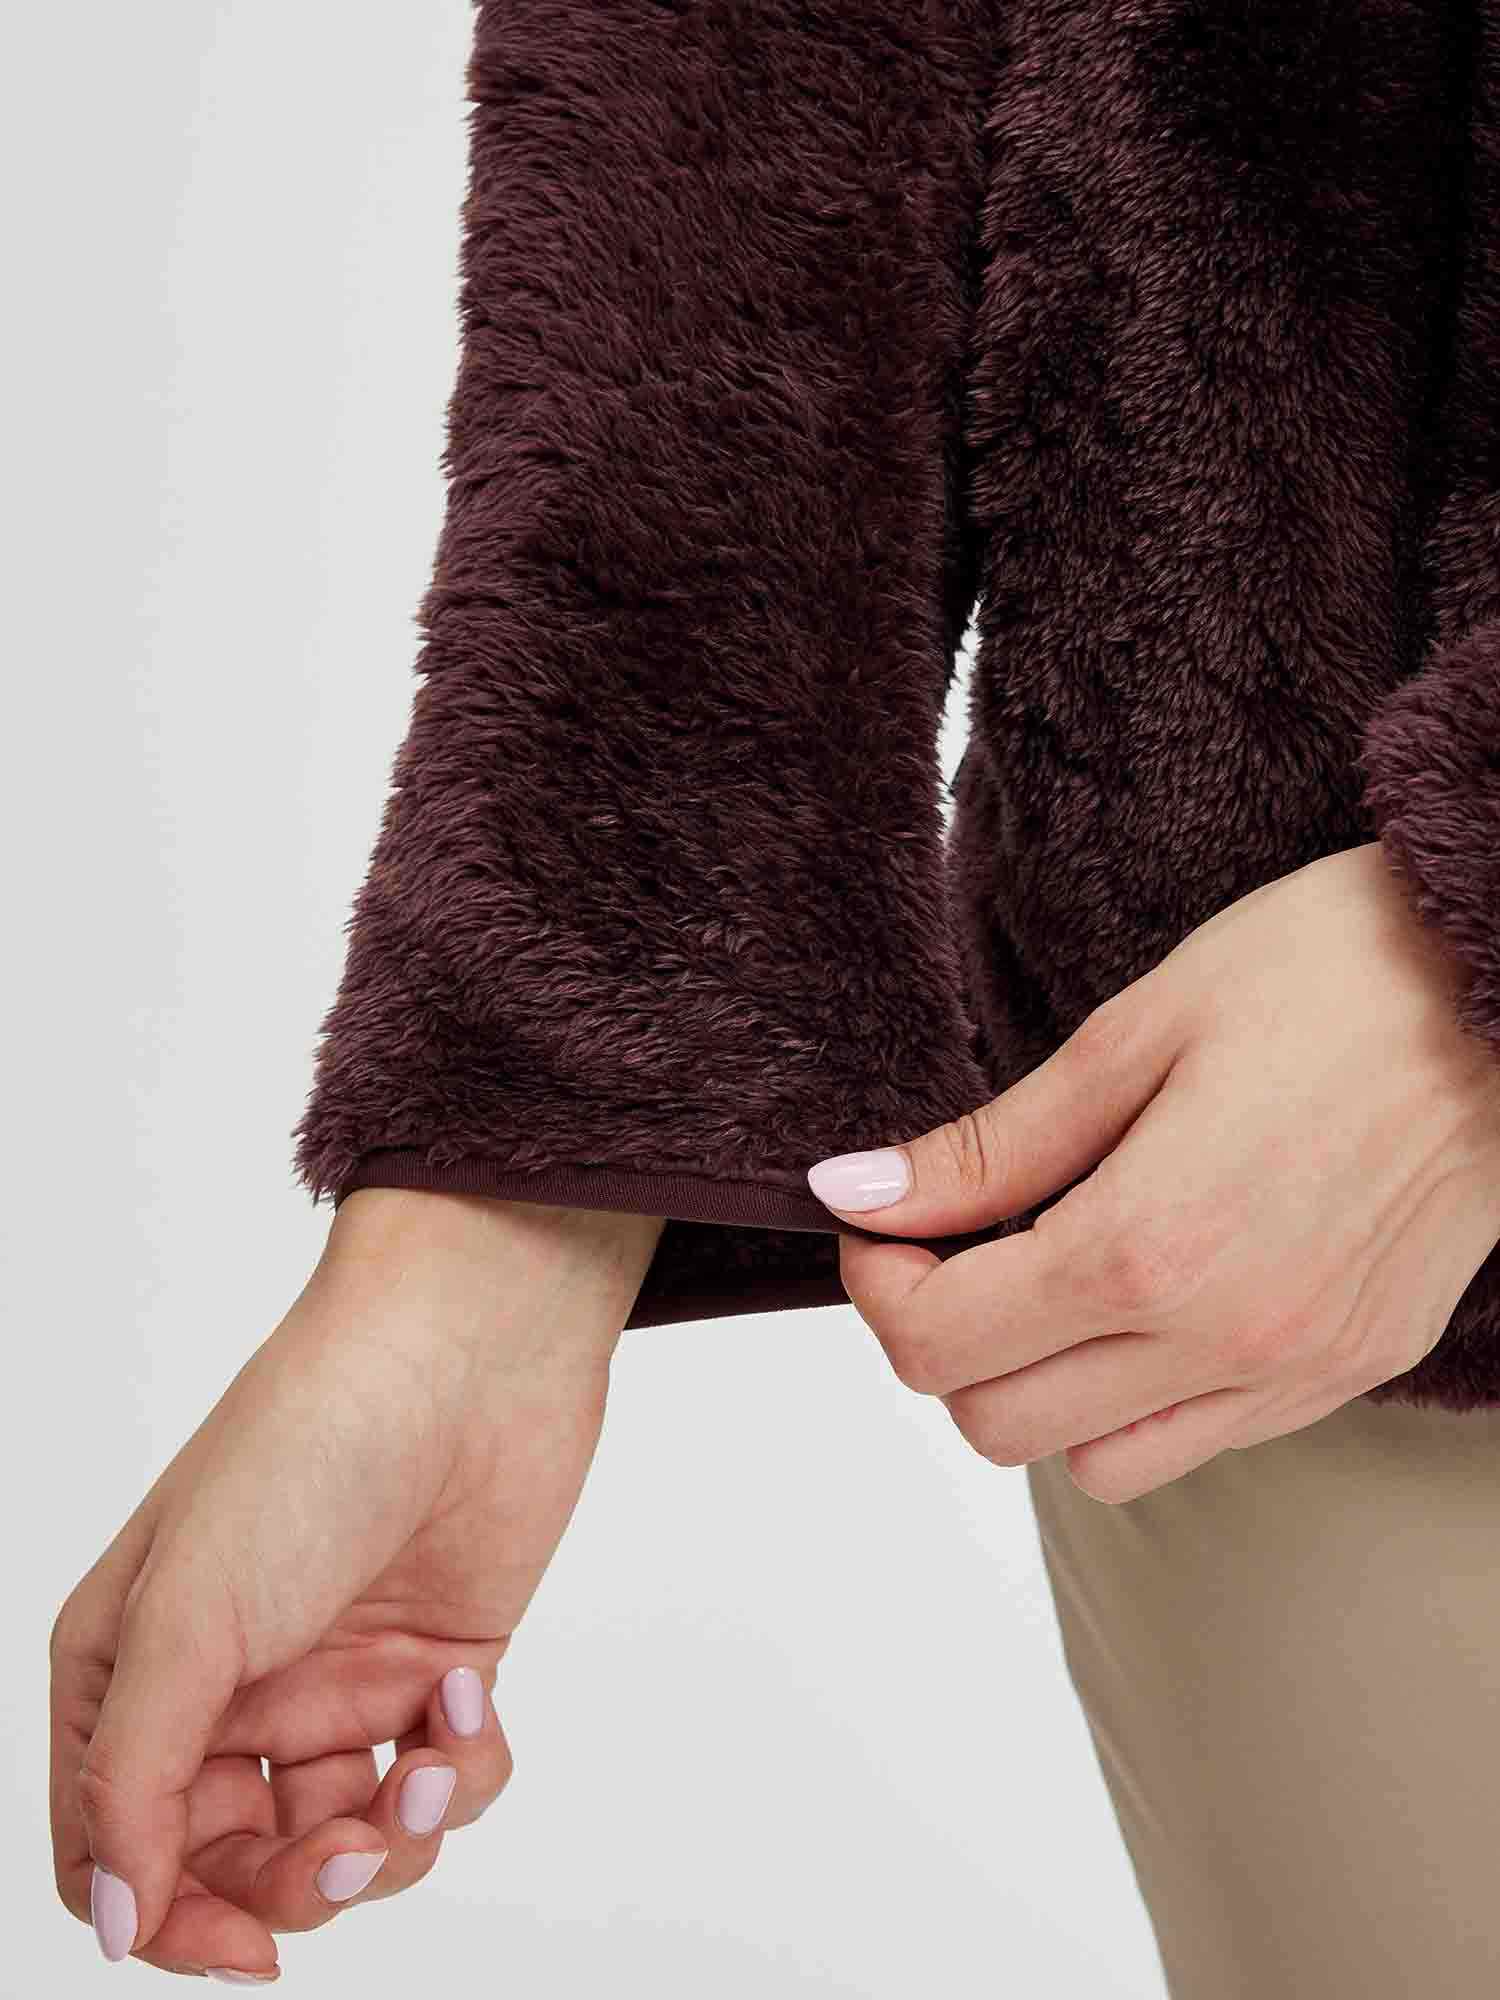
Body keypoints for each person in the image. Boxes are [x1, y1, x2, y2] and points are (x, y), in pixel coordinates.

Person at [49, 4, 1500, 1992]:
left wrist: (1466, 940)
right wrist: (507, 1209)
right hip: (1297, 1192)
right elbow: (750, 81)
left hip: (1383, 1091)